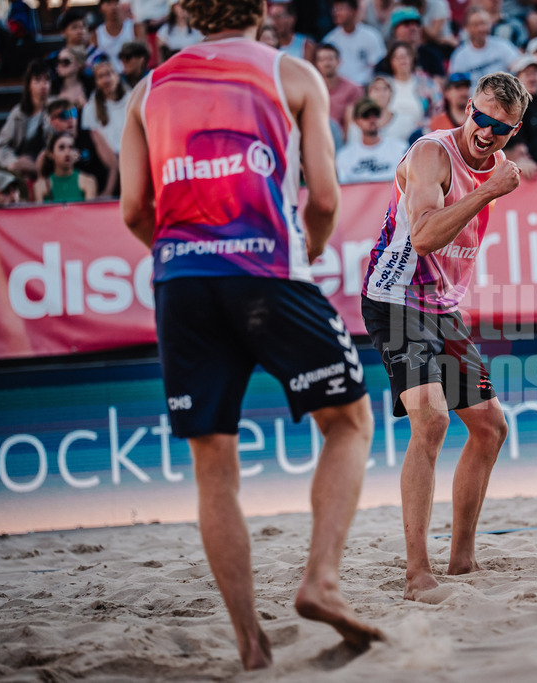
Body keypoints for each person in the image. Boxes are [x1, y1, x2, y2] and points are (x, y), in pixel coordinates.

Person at [120, 0, 384, 669]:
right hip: (266, 267)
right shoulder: (290, 74)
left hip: (180, 280)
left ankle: (249, 643)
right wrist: (311, 253)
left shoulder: (146, 91)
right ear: (262, 9)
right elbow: (323, 198)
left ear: (186, 11)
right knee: (350, 420)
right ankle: (320, 579)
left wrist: (183, 253)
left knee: (214, 466)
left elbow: (132, 210)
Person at [359, 71, 528, 601]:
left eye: (498, 126)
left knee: (490, 427)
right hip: (395, 296)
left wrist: (493, 184)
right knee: (429, 422)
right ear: (466, 108)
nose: (484, 131)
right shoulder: (432, 153)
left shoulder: (498, 165)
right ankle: (416, 574)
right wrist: (489, 192)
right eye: (478, 117)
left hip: (441, 307)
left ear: (514, 128)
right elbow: (428, 235)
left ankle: (462, 558)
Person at [45, 96, 116, 197]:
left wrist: (107, 193)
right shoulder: (50, 148)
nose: (70, 119)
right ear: (52, 121)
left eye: (73, 113)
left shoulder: (92, 135)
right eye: (64, 115)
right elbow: (42, 175)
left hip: (97, 197)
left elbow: (113, 166)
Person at [0, 61, 53, 180]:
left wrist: (34, 167)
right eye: (38, 80)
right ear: (29, 85)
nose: (43, 85)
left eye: (47, 80)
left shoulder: (56, 108)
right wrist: (13, 162)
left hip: (49, 166)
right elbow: (2, 145)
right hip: (19, 166)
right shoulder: (18, 112)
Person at [381, 41, 443, 142]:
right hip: (390, 138)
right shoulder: (384, 85)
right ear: (390, 62)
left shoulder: (427, 84)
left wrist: (424, 126)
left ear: (412, 58)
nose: (402, 60)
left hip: (419, 138)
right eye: (397, 57)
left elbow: (438, 112)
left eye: (406, 56)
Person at [336, 97, 409, 183]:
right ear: (356, 121)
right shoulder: (344, 156)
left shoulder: (400, 149)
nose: (372, 119)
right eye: (366, 115)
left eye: (376, 114)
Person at [449, 8, 521, 87]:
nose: (480, 29)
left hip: (502, 95)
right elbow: (456, 86)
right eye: (476, 25)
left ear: (490, 25)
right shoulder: (460, 56)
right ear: (467, 28)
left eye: (483, 24)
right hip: (474, 97)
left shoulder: (502, 46)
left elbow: (519, 66)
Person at [323, 0, 386, 85]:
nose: (336, 13)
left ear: (353, 11)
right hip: (341, 88)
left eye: (341, 9)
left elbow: (378, 65)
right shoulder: (329, 40)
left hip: (367, 87)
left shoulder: (371, 35)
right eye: (334, 9)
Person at [83, 58, 130, 157]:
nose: (105, 80)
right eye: (100, 76)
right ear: (96, 81)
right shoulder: (90, 109)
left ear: (117, 75)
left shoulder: (132, 100)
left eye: (109, 74)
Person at [33, 131, 98, 203]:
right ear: (50, 154)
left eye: (71, 147)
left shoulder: (88, 182)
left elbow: (89, 213)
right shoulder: (40, 186)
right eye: (61, 148)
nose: (67, 152)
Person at [315, 43, 363, 138]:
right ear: (317, 64)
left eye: (330, 59)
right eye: (322, 60)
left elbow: (355, 121)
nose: (326, 63)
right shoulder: (312, 88)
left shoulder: (352, 89)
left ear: (339, 61)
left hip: (343, 139)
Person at [89, 0, 136, 72]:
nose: (113, 7)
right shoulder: (96, 34)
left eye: (116, 3)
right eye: (109, 3)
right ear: (101, 8)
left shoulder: (135, 27)